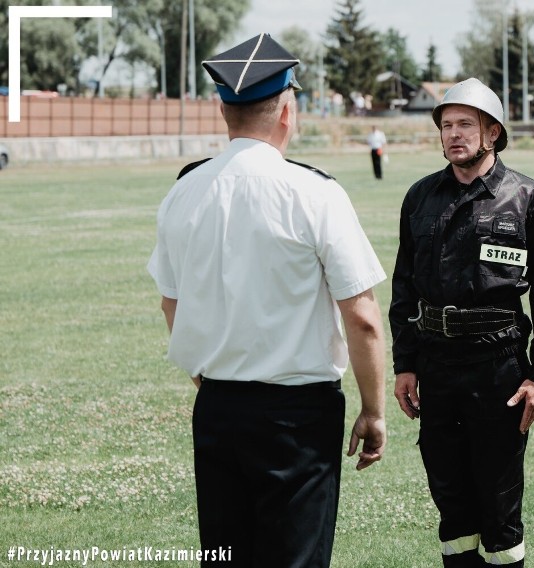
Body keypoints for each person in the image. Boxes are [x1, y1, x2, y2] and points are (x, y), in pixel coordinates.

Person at [147, 33, 387, 568]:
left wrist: (207, 379)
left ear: (223, 110)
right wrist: (373, 410)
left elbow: (171, 303)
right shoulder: (315, 192)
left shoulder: (183, 191)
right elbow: (363, 317)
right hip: (296, 414)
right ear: (287, 109)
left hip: (217, 405)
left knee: (226, 557)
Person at [389, 78, 534, 567]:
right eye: (446, 125)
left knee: (499, 503)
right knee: (450, 501)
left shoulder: (531, 200)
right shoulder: (420, 197)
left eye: (466, 124)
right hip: (436, 367)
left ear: (492, 132)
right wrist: (405, 363)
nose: (454, 134)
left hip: (500, 371)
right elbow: (403, 285)